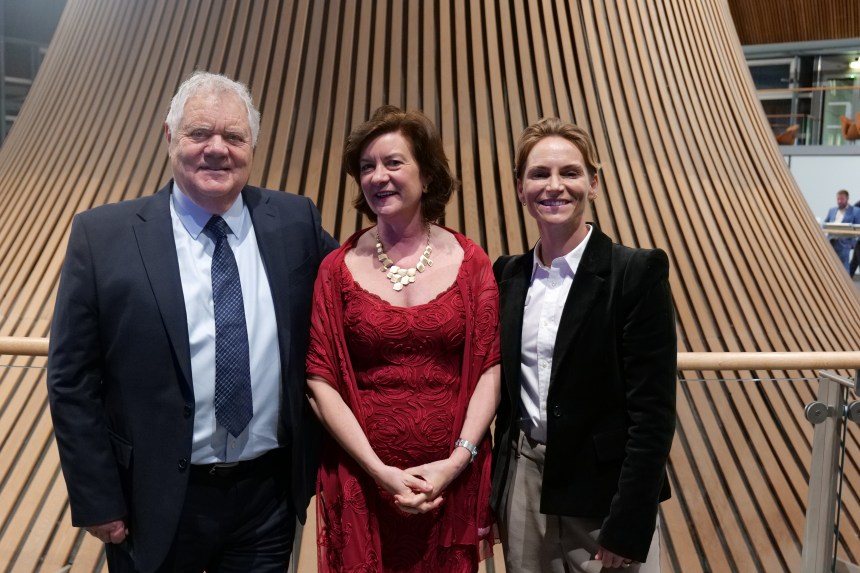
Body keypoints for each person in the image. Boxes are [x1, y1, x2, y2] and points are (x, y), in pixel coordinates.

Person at [47, 71, 337, 572]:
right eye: (199, 133)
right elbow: (71, 379)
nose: (217, 149)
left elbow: (359, 289)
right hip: (151, 500)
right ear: (169, 136)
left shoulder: (295, 222)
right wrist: (97, 497)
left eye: (234, 137)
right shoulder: (103, 237)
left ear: (252, 146)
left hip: (266, 499)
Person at [305, 105, 501, 573]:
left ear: (428, 175)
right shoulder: (335, 268)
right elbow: (320, 380)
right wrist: (381, 472)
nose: (379, 177)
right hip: (362, 484)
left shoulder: (473, 263)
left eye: (394, 162)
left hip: (449, 484)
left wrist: (454, 464)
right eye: (367, 167)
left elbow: (490, 370)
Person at [491, 118, 677, 572]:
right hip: (525, 487)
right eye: (539, 174)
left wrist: (628, 525)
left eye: (570, 173)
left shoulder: (635, 273)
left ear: (593, 183)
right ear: (520, 188)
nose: (554, 186)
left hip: (604, 498)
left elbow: (652, 415)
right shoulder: (507, 275)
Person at [823, 189, 859, 273]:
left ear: (847, 199)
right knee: (828, 266)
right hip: (831, 241)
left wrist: (851, 244)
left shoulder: (855, 211)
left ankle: (845, 285)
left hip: (844, 244)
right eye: (838, 199)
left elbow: (858, 229)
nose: (839, 201)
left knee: (844, 269)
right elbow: (825, 224)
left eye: (842, 199)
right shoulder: (832, 210)